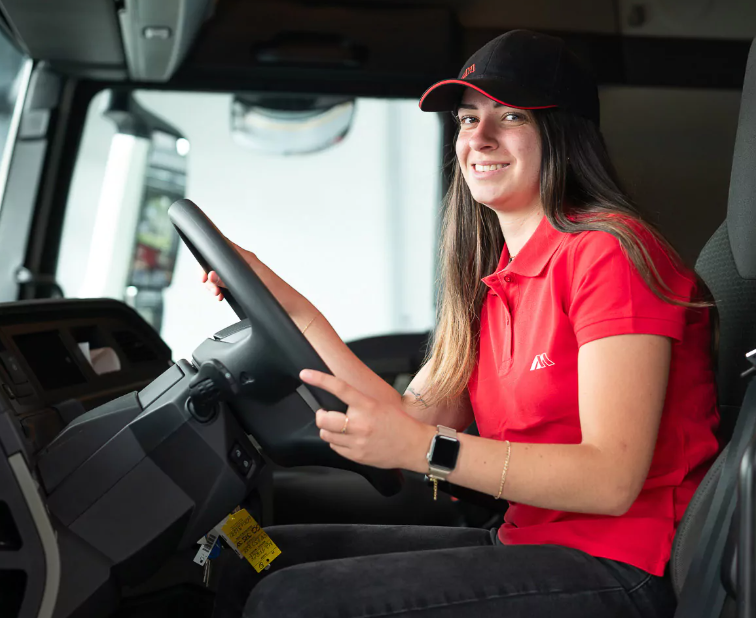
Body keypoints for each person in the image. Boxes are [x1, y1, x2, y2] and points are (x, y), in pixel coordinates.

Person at [204, 29, 720, 618]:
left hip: (622, 568)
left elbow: (610, 478)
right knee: (250, 553)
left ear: (564, 133)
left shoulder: (611, 255)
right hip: (528, 544)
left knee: (289, 600)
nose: (480, 137)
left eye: (511, 116)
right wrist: (284, 302)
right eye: (468, 118)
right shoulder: (497, 277)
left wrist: (428, 449)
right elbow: (407, 419)